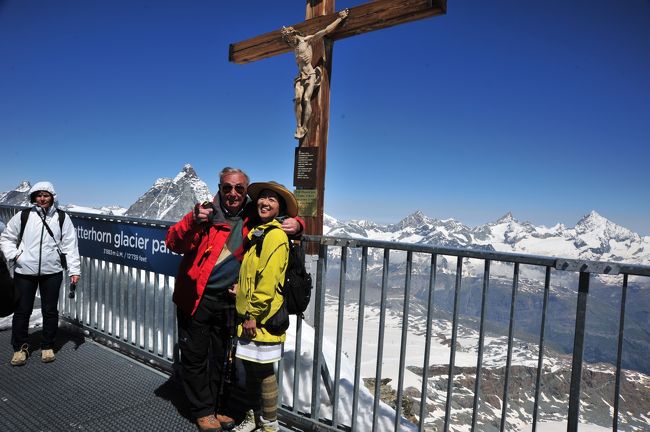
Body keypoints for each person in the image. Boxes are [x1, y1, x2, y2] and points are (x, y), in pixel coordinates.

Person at [165, 168, 303, 432]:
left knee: (220, 357)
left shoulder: (253, 215)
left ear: (245, 191)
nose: (233, 193)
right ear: (219, 188)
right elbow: (173, 242)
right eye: (227, 187)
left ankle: (217, 406)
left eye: (239, 188)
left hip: (229, 299)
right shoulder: (204, 213)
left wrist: (298, 225)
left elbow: (279, 216)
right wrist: (192, 221)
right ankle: (203, 410)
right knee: (195, 355)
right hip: (196, 296)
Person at [230, 181, 298, 432]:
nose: (264, 202)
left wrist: (253, 316)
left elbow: (269, 281)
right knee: (252, 368)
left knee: (264, 371)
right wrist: (241, 291)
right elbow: (254, 274)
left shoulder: (274, 236)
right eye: (263, 198)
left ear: (279, 207)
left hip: (262, 317)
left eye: (272, 199)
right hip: (252, 312)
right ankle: (254, 419)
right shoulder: (261, 232)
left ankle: (269, 425)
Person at [0, 181, 81, 366]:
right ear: (33, 197)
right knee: (22, 310)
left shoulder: (62, 218)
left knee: (50, 310)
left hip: (52, 272)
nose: (42, 198)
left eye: (46, 195)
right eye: (38, 195)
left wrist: (74, 270)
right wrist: (16, 256)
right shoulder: (24, 216)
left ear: (53, 197)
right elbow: (7, 237)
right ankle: (19, 348)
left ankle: (47, 346)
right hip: (25, 271)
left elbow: (70, 246)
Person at [281, 9, 349, 139]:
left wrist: (340, 18)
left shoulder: (307, 41)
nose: (289, 41)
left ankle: (305, 126)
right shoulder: (294, 47)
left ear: (293, 34)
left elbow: (325, 31)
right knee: (297, 99)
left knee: (306, 99)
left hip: (310, 74)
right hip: (300, 77)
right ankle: (298, 126)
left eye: (289, 38)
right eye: (287, 40)